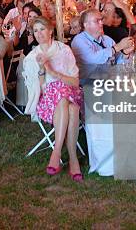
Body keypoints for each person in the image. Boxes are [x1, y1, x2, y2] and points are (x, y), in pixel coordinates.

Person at [23, 17, 84, 181]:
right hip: (47, 101)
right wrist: (42, 70)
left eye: (42, 29)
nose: (39, 33)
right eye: (35, 30)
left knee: (66, 98)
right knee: (70, 106)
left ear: (51, 30)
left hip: (71, 92)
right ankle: (73, 158)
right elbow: (39, 89)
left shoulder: (64, 50)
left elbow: (75, 82)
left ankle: (56, 151)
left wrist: (54, 73)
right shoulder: (32, 57)